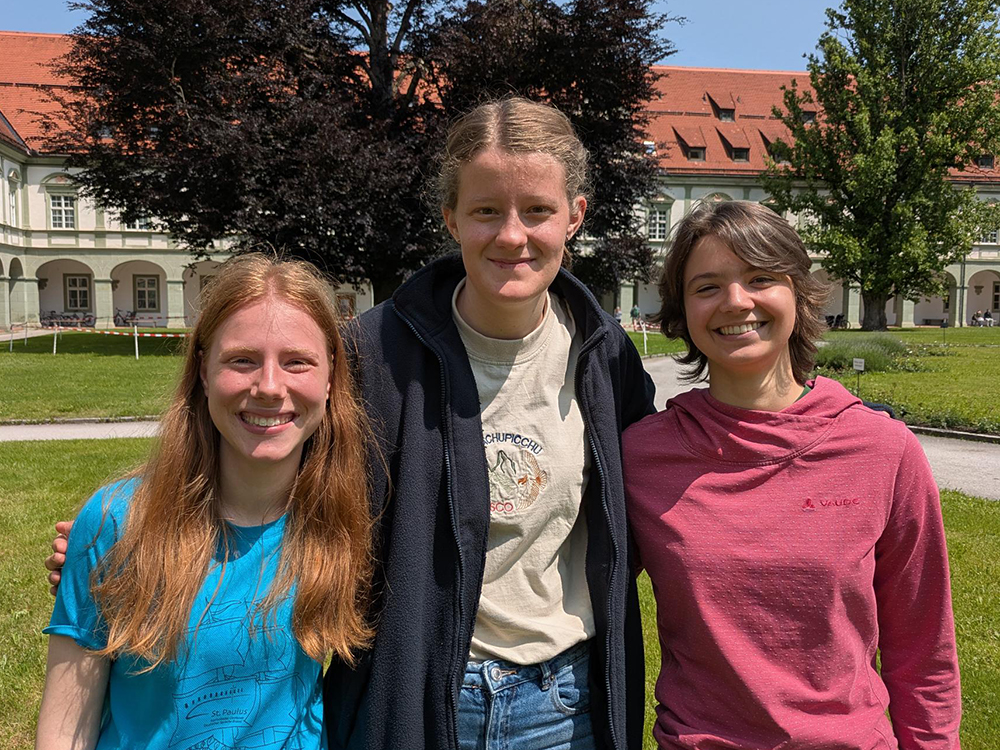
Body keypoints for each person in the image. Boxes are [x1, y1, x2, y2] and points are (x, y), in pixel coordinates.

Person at [47, 97, 656, 750]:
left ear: (574, 216)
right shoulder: (372, 352)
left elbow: (650, 505)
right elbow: (279, 454)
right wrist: (126, 538)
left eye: (537, 210)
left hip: (564, 703)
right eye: (486, 210)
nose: (512, 235)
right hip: (418, 695)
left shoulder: (605, 357)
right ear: (451, 217)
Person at [622, 200, 961, 749]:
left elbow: (923, 649)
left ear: (799, 295)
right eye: (707, 287)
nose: (737, 301)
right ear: (682, 312)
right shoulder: (642, 456)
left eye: (760, 278)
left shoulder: (882, 450)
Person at [37, 255, 374, 749]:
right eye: (242, 359)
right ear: (203, 370)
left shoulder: (347, 520)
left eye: (297, 362)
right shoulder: (117, 522)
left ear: (330, 377)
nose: (269, 387)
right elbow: (66, 729)